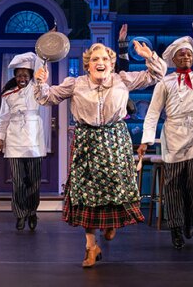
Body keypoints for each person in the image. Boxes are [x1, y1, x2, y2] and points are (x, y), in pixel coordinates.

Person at [34, 40, 166, 267]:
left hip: (115, 139)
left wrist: (149, 55)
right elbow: (46, 98)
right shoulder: (76, 84)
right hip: (87, 141)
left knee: (116, 186)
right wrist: (41, 83)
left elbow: (157, 75)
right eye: (95, 59)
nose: (100, 62)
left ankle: (111, 223)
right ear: (88, 65)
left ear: (112, 64)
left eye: (105, 59)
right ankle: (90, 247)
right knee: (87, 194)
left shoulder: (122, 80)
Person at [137, 1, 193, 250]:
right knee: (173, 185)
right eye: (182, 54)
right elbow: (152, 114)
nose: (187, 56)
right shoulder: (165, 83)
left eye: (189, 53)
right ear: (174, 58)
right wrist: (146, 140)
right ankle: (176, 229)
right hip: (173, 133)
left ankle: (190, 218)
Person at [0, 52, 45, 231]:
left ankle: (32, 212)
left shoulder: (36, 88)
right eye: (18, 75)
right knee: (18, 181)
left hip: (33, 140)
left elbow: (41, 68)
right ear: (14, 76)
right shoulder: (8, 94)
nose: (21, 78)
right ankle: (19, 214)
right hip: (14, 140)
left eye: (25, 75)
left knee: (33, 181)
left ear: (31, 76)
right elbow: (3, 118)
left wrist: (43, 48)